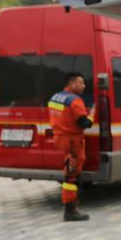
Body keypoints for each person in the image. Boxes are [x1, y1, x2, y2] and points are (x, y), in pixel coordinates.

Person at [49, 73, 93, 222]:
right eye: (81, 83)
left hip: (60, 138)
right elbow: (84, 123)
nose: (84, 86)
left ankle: (73, 204)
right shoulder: (75, 101)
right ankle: (70, 210)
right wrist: (92, 116)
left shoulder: (55, 97)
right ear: (72, 83)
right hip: (73, 141)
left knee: (70, 171)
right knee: (71, 175)